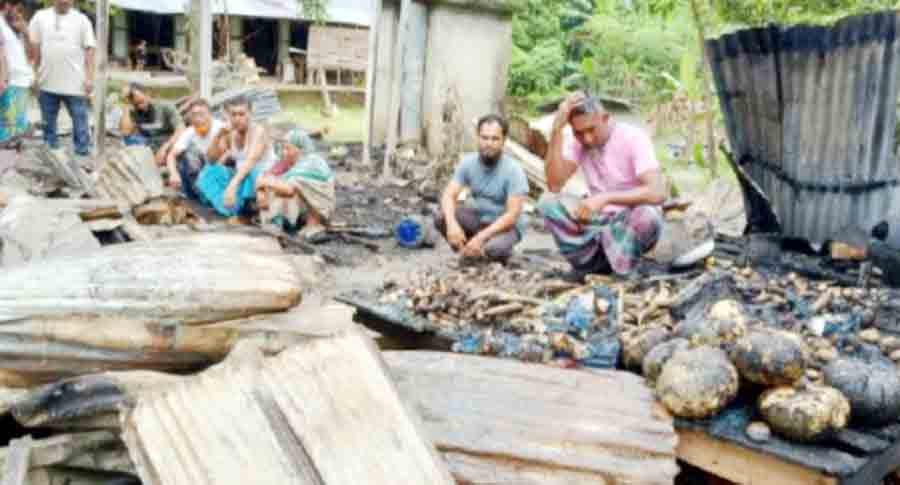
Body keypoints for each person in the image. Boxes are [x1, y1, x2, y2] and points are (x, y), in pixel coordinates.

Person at [539, 91, 666, 279]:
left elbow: (657, 192)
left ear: (605, 118)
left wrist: (605, 197)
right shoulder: (577, 143)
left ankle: (621, 270)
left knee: (647, 216)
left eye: (591, 130)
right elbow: (554, 184)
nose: (587, 139)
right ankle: (590, 266)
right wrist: (557, 129)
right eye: (579, 133)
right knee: (548, 203)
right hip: (597, 223)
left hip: (627, 222)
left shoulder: (632, 137)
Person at [434, 114, 529, 262]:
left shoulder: (514, 171)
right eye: (484, 138)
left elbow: (512, 216)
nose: (489, 143)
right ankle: (468, 251)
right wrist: (452, 225)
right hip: (481, 218)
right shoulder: (468, 163)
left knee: (493, 249)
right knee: (441, 217)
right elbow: (448, 195)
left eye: (494, 138)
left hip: (507, 227)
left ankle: (496, 251)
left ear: (504, 141)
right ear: (477, 138)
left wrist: (479, 238)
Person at [28, 0, 95, 156]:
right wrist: (35, 75)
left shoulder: (82, 20)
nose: (64, 1)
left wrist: (90, 77)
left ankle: (82, 152)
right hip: (47, 82)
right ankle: (51, 154)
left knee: (80, 120)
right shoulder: (40, 17)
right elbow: (36, 48)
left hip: (75, 83)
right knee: (47, 122)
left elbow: (90, 50)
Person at [197, 95, 276, 221]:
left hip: (261, 176)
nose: (237, 119)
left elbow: (251, 162)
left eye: (241, 114)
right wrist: (218, 136)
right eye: (233, 115)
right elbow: (211, 159)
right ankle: (231, 208)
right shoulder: (230, 134)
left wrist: (232, 186)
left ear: (249, 114)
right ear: (228, 115)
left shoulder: (258, 131)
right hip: (240, 176)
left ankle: (245, 210)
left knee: (252, 173)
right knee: (210, 170)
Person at [255, 127, 335, 237]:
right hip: (305, 204)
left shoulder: (311, 162)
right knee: (275, 185)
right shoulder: (291, 162)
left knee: (278, 186)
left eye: (288, 149)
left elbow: (289, 189)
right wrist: (261, 191)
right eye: (283, 149)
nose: (284, 152)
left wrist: (264, 183)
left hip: (320, 207)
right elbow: (265, 175)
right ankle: (279, 222)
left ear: (299, 149)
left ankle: (313, 224)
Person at [165, 98, 223, 202]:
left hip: (220, 168)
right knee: (184, 156)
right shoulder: (190, 132)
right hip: (200, 170)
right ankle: (192, 197)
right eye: (194, 115)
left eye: (201, 114)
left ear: (210, 114)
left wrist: (208, 173)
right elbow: (171, 155)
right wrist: (173, 173)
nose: (197, 119)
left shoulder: (220, 128)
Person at [120, 83, 183, 164]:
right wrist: (126, 105)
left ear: (147, 94)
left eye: (141, 102)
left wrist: (165, 148)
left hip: (168, 142)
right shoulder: (133, 111)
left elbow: (181, 129)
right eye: (136, 104)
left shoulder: (165, 107)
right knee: (129, 139)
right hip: (149, 144)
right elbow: (126, 133)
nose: (140, 107)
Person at [0, 0, 31, 143]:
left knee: (19, 129)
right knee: (7, 128)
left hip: (22, 82)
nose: (18, 13)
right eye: (16, 9)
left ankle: (13, 160)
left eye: (20, 10)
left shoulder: (17, 27)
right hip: (8, 82)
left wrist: (26, 33)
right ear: (7, 6)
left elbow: (30, 55)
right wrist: (2, 78)